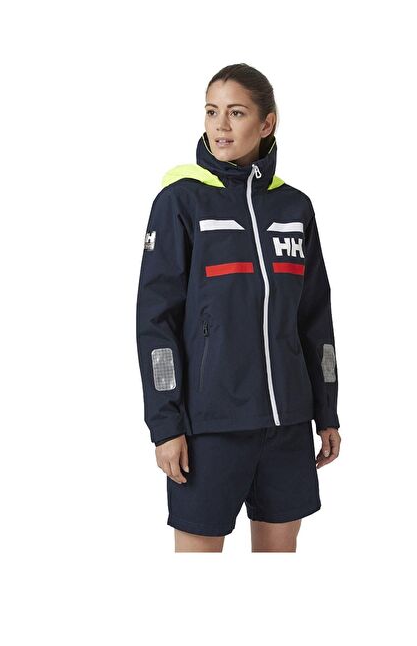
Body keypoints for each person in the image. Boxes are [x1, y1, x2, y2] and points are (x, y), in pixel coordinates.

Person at [136, 63, 341, 552]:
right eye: (212, 112)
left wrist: (326, 411)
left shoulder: (294, 208)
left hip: (287, 425)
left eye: (236, 112)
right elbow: (156, 325)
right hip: (210, 428)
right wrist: (165, 425)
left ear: (267, 123)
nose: (220, 126)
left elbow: (316, 321)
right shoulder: (180, 201)